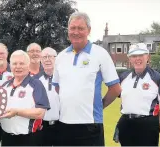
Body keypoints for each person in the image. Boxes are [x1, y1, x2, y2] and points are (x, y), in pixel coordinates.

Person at [52, 11, 121, 146]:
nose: (76, 32)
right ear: (68, 30)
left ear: (88, 30)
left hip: (90, 126)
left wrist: (100, 106)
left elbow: (115, 88)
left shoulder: (100, 53)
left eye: (80, 28)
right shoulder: (61, 56)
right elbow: (57, 87)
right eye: (73, 28)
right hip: (63, 124)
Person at [116, 43, 160, 146]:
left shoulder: (155, 77)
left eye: (141, 55)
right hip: (126, 124)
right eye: (134, 56)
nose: (138, 59)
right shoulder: (123, 77)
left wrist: (154, 125)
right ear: (129, 59)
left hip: (148, 124)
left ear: (148, 57)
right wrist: (121, 124)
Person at [0, 50, 50, 146]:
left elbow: (40, 113)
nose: (18, 66)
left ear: (28, 65)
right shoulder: (4, 86)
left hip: (29, 139)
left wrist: (17, 112)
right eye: (14, 63)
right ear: (10, 66)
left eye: (21, 63)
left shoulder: (36, 84)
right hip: (7, 139)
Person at [33, 47, 60, 146]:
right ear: (40, 60)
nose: (47, 59)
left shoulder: (63, 78)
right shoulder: (34, 80)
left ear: (56, 59)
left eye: (50, 57)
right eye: (44, 57)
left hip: (61, 126)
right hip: (41, 127)